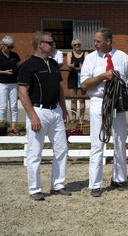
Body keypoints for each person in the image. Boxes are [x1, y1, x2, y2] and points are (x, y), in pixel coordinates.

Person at [80, 28, 128, 197]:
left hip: (117, 103)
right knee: (97, 143)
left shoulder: (123, 57)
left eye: (98, 41)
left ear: (108, 42)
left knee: (120, 141)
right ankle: (95, 184)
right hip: (99, 102)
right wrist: (103, 76)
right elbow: (84, 84)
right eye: (95, 41)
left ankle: (119, 178)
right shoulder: (90, 59)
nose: (95, 44)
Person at [18, 31, 71, 200]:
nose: (53, 45)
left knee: (62, 150)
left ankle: (58, 184)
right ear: (40, 44)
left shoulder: (54, 64)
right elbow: (22, 92)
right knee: (35, 152)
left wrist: (64, 109)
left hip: (55, 111)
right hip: (38, 111)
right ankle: (35, 189)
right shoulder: (28, 66)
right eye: (50, 42)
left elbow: (60, 88)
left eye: (53, 42)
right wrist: (33, 116)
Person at [0, 36, 21, 134]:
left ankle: (14, 127)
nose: (10, 49)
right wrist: (4, 72)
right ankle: (2, 127)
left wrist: (17, 71)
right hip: (2, 83)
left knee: (14, 106)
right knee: (3, 106)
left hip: (13, 83)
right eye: (8, 47)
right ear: (2, 46)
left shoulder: (15, 55)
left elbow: (19, 67)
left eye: (12, 47)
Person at [66, 39, 88, 123]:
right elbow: (68, 64)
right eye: (75, 45)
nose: (77, 46)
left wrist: (74, 65)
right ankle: (73, 117)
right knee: (73, 99)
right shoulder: (69, 54)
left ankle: (81, 117)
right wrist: (79, 65)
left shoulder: (85, 53)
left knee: (82, 99)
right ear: (72, 46)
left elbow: (87, 64)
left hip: (82, 78)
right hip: (72, 78)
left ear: (80, 45)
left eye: (78, 44)